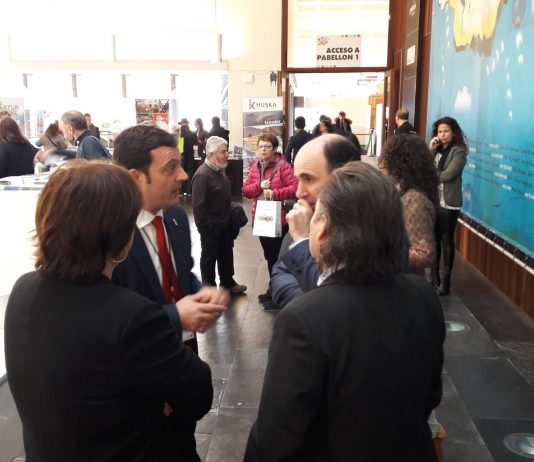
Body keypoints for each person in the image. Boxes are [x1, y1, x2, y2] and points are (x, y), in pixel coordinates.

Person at [5, 161, 214, 461]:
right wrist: (156, 399)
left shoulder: (24, 289)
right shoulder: (131, 317)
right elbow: (198, 394)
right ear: (119, 235)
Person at [245, 161, 445, 462]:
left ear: (323, 230)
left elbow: (275, 438)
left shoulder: (303, 320)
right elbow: (430, 396)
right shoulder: (424, 296)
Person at [112, 125, 228, 354]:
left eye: (180, 165)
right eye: (170, 168)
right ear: (135, 177)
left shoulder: (176, 217)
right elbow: (110, 313)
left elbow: (181, 273)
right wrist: (174, 316)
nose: (183, 176)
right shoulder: (111, 234)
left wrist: (200, 291)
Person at [268, 134, 361, 309]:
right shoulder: (304, 219)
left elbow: (339, 304)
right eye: (298, 180)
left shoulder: (371, 225)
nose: (299, 192)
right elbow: (279, 277)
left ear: (345, 178)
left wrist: (302, 242)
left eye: (308, 179)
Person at [242, 133, 297, 307]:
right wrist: (259, 186)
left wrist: (274, 193)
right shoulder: (255, 166)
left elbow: (295, 188)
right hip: (261, 218)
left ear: (274, 149)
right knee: (269, 256)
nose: (263, 149)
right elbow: (246, 190)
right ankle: (273, 289)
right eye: (260, 146)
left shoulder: (283, 167)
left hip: (279, 219)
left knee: (278, 258)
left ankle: (278, 293)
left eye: (267, 146)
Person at [192, 136, 247, 294]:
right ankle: (209, 288)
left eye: (226, 151)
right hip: (210, 226)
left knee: (226, 254)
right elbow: (198, 206)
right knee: (209, 257)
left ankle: (227, 283)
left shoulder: (219, 170)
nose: (226, 155)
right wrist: (206, 226)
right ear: (211, 153)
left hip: (224, 223)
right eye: (223, 152)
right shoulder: (202, 175)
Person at [379, 134, 438, 275]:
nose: (382, 165)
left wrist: (378, 255)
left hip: (403, 280)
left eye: (387, 158)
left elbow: (424, 254)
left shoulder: (415, 199)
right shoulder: (404, 191)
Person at [429, 116, 468, 295]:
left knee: (446, 240)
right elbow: (424, 164)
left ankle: (445, 283)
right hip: (434, 199)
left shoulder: (459, 151)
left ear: (454, 133)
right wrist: (430, 149)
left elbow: (449, 174)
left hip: (449, 201)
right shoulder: (437, 149)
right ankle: (433, 277)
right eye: (439, 132)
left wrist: (429, 175)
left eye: (446, 131)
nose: (442, 135)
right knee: (434, 238)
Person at [178, 118, 196, 195]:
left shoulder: (180, 134)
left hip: (182, 157)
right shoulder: (193, 134)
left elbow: (180, 149)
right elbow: (195, 145)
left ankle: (182, 191)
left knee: (181, 173)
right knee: (190, 174)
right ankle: (189, 192)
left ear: (181, 124)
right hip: (191, 155)